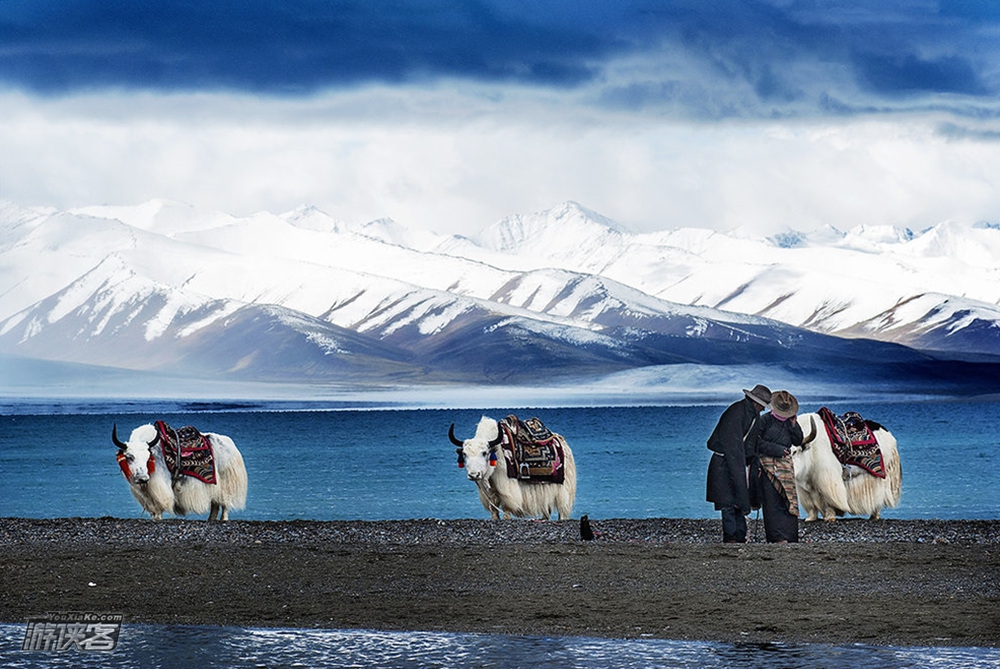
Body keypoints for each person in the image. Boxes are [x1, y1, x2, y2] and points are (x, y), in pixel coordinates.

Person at [706, 384, 771, 543]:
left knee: (739, 500)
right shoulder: (736, 412)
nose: (763, 409)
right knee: (729, 502)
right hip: (724, 463)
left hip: (737, 462)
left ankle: (740, 536)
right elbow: (732, 447)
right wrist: (741, 473)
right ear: (756, 403)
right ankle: (731, 538)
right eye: (762, 405)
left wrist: (752, 464)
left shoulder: (753, 415)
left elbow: (750, 445)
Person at [748, 390, 804, 543]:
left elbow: (798, 441)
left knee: (788, 500)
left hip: (785, 466)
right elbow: (755, 442)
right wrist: (778, 450)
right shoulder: (764, 420)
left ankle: (791, 536)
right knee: (772, 501)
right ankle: (776, 537)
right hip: (767, 466)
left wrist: (794, 426)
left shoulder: (790, 422)